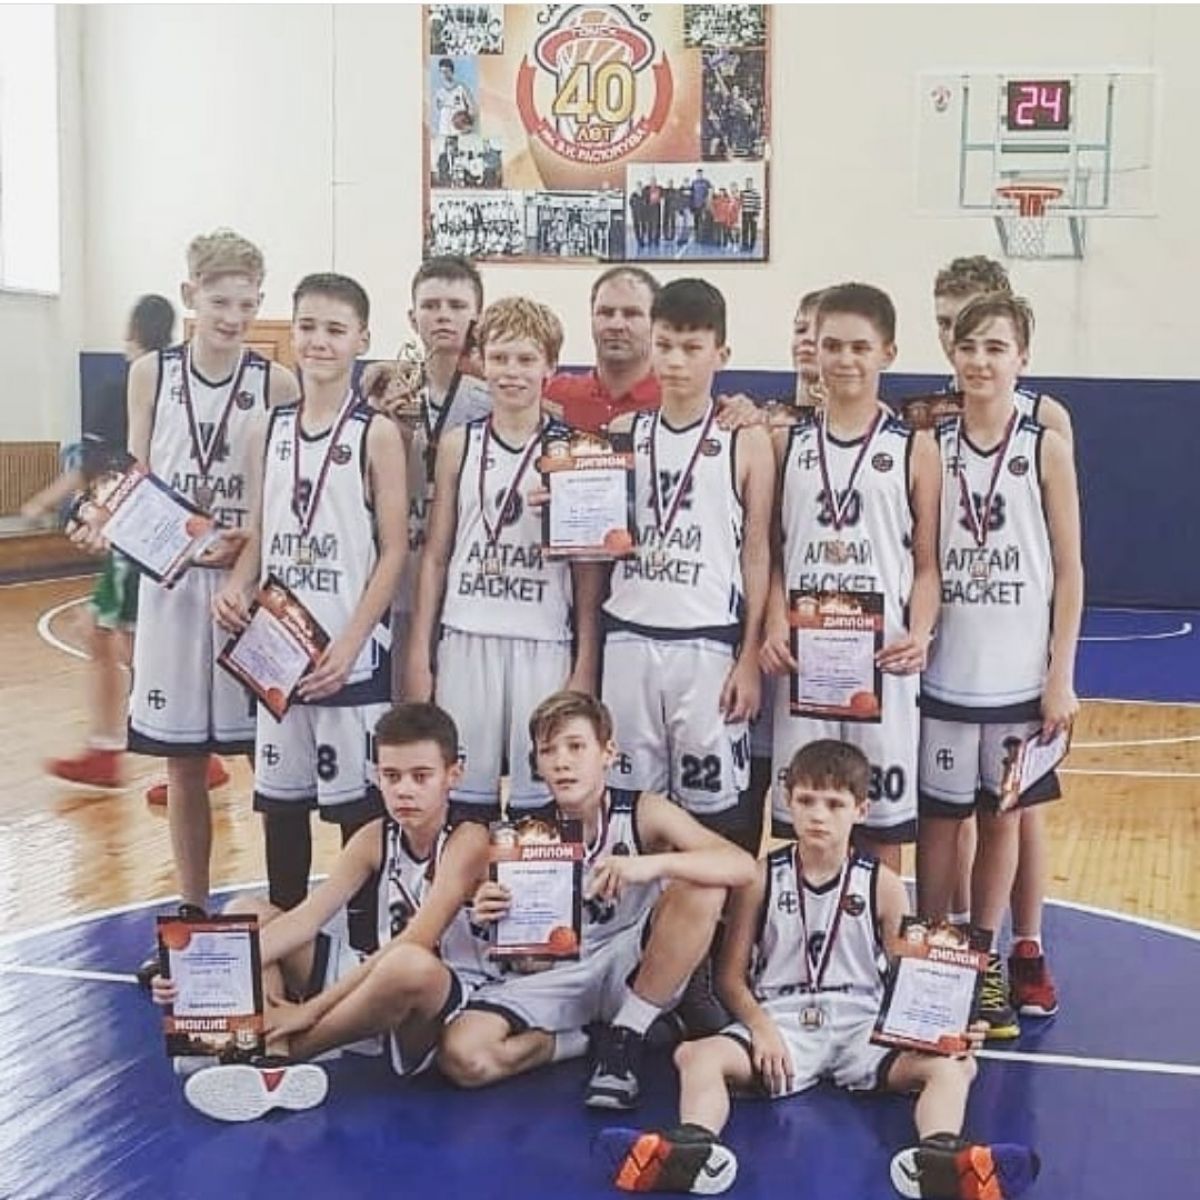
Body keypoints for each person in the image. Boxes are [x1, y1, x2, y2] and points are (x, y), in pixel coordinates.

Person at [599, 739, 1041, 1199]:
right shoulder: (761, 878)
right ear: (787, 801)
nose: (818, 815)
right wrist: (760, 1028)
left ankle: (941, 1156)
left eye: (834, 804)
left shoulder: (885, 886)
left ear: (861, 810)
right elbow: (730, 978)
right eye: (807, 800)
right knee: (695, 1056)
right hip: (783, 1022)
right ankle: (693, 1149)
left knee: (956, 1066)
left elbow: (909, 980)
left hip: (863, 1024)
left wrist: (950, 1027)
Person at [157, 703, 494, 1121]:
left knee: (409, 963)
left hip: (442, 1001)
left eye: (420, 776)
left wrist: (309, 1010)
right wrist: (191, 976)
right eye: (392, 776)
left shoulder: (468, 838)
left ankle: (281, 1053)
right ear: (376, 775)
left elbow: (417, 939)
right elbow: (306, 919)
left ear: (453, 775)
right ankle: (266, 1057)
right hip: (372, 983)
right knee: (247, 913)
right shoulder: (375, 836)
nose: (404, 790)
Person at [438, 691, 757, 1107]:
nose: (562, 762)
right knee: (463, 1056)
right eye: (548, 751)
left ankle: (627, 1037)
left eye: (576, 746)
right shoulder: (521, 835)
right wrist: (490, 914)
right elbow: (527, 961)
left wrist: (650, 866)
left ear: (608, 752)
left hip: (633, 967)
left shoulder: (643, 812)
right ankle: (585, 1040)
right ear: (537, 764)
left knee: (702, 884)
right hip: (561, 975)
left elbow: (742, 865)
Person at [214, 273, 406, 939]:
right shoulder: (267, 429)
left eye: (335, 329)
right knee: (283, 810)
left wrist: (351, 644)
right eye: (308, 327)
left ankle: (366, 952)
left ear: (362, 338)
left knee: (359, 817)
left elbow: (393, 552)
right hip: (278, 652)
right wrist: (238, 583)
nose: (319, 341)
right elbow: (260, 530)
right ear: (291, 332)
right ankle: (286, 955)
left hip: (348, 658)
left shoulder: (377, 434)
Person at [916, 294, 1082, 1039]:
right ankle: (935, 956)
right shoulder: (932, 445)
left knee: (1002, 820)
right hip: (946, 672)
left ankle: (983, 958)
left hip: (1018, 677)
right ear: (951, 355)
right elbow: (923, 559)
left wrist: (1060, 674)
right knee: (940, 825)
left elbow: (1071, 571)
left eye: (996, 347)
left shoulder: (1044, 445)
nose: (980, 361)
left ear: (1023, 358)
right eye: (969, 347)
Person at [124, 229, 300, 916]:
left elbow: (286, 496)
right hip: (172, 586)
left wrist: (248, 557)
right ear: (189, 294)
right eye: (220, 302)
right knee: (184, 762)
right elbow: (136, 482)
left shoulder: (275, 382)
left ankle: (284, 908)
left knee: (269, 758)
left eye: (247, 304)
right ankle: (195, 909)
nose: (233, 317)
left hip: (246, 588)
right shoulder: (152, 374)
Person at [762, 284, 940, 872]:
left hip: (882, 658)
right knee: (804, 817)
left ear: (888, 352)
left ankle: (879, 929)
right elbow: (773, 554)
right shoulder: (784, 442)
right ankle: (805, 924)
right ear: (812, 349)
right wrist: (773, 626)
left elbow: (927, 565)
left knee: (882, 824)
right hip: (803, 658)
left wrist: (920, 633)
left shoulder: (915, 448)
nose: (844, 359)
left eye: (860, 347)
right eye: (831, 345)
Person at [404, 298, 603, 823]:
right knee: (464, 804)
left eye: (526, 359)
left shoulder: (574, 452)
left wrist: (584, 661)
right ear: (481, 362)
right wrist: (420, 653)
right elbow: (436, 557)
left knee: (544, 808)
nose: (512, 372)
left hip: (544, 639)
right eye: (500, 358)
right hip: (466, 634)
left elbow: (586, 573)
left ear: (551, 367)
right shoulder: (458, 445)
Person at [602, 279, 774, 852]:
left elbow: (757, 552)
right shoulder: (623, 434)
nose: (675, 360)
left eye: (692, 347)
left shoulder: (746, 440)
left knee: (715, 816)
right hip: (627, 639)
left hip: (708, 645)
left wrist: (749, 655)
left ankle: (713, 915)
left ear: (721, 353)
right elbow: (598, 539)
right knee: (629, 812)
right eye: (665, 345)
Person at [35, 295, 217, 792]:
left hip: (137, 529)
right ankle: (110, 747)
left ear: (132, 330)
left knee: (137, 644)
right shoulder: (175, 385)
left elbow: (95, 468)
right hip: (147, 526)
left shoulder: (127, 386)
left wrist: (55, 505)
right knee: (100, 631)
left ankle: (190, 748)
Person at [367, 256, 492, 701]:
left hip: (467, 583)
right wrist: (390, 429)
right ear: (411, 317)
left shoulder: (494, 401)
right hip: (401, 579)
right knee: (403, 710)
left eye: (457, 306)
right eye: (431, 305)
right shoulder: (385, 396)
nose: (443, 315)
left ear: (478, 317)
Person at [543, 266, 663, 435]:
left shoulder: (674, 403)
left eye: (631, 314)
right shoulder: (554, 396)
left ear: (656, 323)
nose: (616, 325)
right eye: (605, 313)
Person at [434, 57, 476, 138]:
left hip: (460, 131)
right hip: (444, 130)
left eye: (446, 71)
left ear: (452, 71)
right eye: (441, 71)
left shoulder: (461, 88)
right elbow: (439, 109)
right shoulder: (439, 92)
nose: (444, 74)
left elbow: (472, 107)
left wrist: (468, 124)